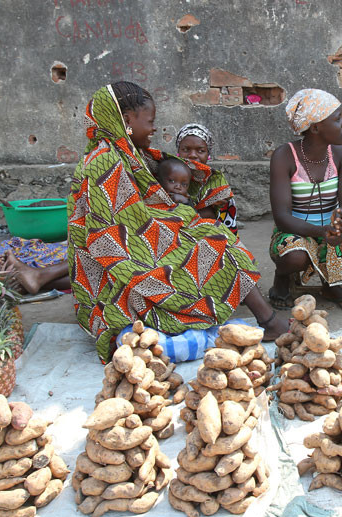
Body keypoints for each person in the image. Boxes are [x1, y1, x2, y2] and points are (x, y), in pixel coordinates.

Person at [68, 81, 286, 361]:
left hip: (138, 244)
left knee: (211, 235)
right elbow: (112, 236)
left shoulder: (125, 153)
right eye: (150, 122)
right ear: (127, 121)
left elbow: (148, 202)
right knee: (214, 245)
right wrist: (177, 224)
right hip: (116, 274)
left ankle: (267, 321)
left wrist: (179, 218)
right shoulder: (104, 162)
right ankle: (268, 322)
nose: (154, 129)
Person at [268, 88, 342, 312]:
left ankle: (329, 284)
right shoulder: (284, 156)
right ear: (315, 127)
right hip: (295, 232)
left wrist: (341, 218)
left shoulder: (341, 152)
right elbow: (281, 218)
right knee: (295, 257)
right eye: (337, 119)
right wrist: (321, 232)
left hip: (330, 230)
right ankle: (282, 278)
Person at [175, 123, 238, 234]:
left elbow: (224, 217)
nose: (193, 155)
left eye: (201, 151)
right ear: (178, 153)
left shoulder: (216, 182)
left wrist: (217, 205)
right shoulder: (170, 176)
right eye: (186, 150)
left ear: (208, 155)